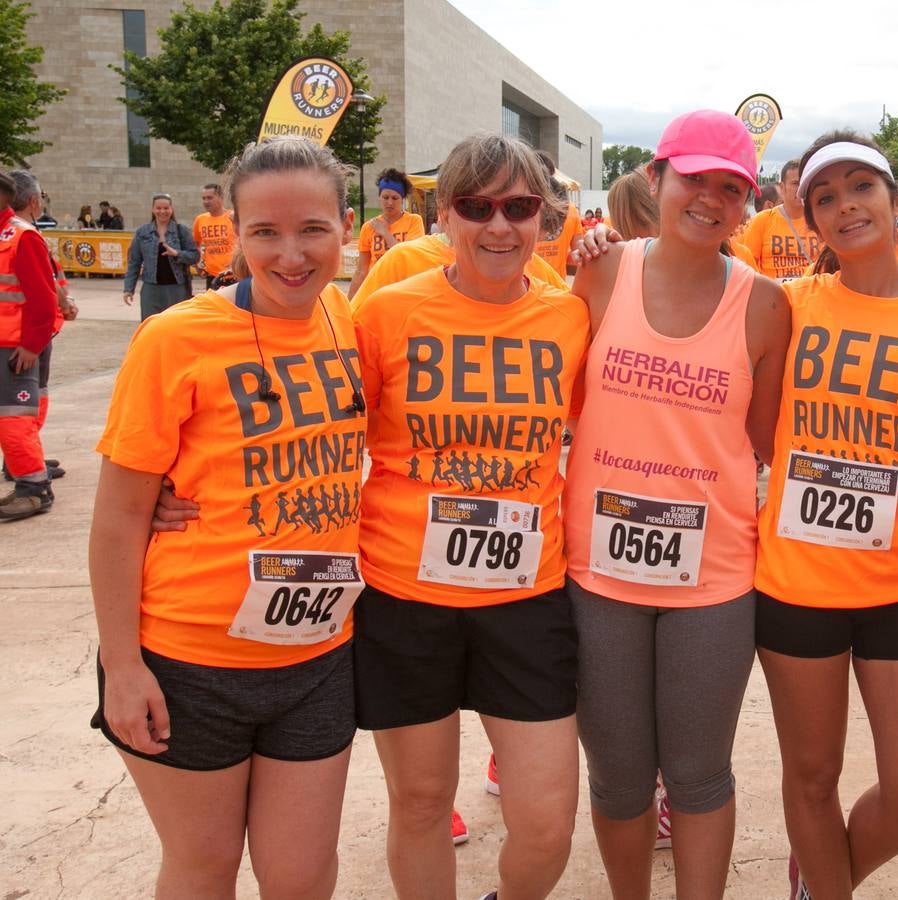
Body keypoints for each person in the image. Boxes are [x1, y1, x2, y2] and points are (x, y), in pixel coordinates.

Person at [89, 136, 365, 899]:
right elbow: (118, 517)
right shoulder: (173, 338)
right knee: (203, 870)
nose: (290, 255)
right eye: (264, 232)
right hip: (187, 662)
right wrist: (123, 667)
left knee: (301, 876)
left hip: (317, 657)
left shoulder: (344, 315)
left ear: (346, 227)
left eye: (312, 229)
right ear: (233, 233)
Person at [350, 131, 586, 900]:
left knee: (546, 825)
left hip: (526, 599)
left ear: (543, 216)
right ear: (443, 215)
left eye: (519, 207)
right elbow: (321, 431)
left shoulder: (569, 315)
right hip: (404, 596)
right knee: (421, 803)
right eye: (476, 207)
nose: (498, 225)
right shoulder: (386, 312)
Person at [564, 108, 790, 900]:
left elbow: (770, 441)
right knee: (618, 777)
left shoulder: (765, 305)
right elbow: (553, 410)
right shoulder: (599, 274)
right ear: (654, 178)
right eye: (694, 179)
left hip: (713, 581)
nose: (710, 200)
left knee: (698, 775)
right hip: (597, 575)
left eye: (731, 189)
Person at [754, 132, 898, 900]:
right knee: (811, 777)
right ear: (809, 217)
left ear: (894, 197)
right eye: (824, 197)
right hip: (796, 585)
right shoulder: (785, 304)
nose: (845, 206)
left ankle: (820, 874)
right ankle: (823, 887)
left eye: (860, 187)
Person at [2, 169, 74, 489]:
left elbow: (44, 287)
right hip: (24, 337)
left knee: (22, 407)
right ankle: (25, 468)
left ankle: (27, 469)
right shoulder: (22, 234)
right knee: (21, 408)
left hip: (25, 337)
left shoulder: (20, 234)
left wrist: (63, 305)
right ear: (33, 201)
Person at [347, 167, 424, 299]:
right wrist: (349, 303)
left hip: (404, 291)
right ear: (379, 197)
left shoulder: (414, 221)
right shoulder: (368, 227)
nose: (389, 202)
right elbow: (361, 270)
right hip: (376, 293)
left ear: (403, 199)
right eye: (385, 197)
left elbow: (408, 256)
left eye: (395, 198)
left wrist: (385, 233)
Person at [122, 193, 199, 319]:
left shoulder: (182, 231)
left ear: (171, 209)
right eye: (158, 208)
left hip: (177, 289)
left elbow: (195, 256)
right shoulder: (143, 232)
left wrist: (177, 253)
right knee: (151, 325)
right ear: (153, 210)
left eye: (166, 208)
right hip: (151, 289)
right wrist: (128, 289)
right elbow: (134, 263)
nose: (162, 211)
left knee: (176, 325)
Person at [741, 160, 822, 280]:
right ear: (782, 187)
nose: (801, 188)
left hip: (811, 290)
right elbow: (747, 265)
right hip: (773, 290)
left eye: (805, 183)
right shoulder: (762, 220)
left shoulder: (820, 222)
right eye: (795, 183)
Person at [193, 182, 238, 289]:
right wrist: (197, 264)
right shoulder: (200, 219)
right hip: (212, 275)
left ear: (221, 197)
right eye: (203, 198)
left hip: (232, 274)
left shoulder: (233, 217)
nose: (206, 201)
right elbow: (195, 244)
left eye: (210, 198)